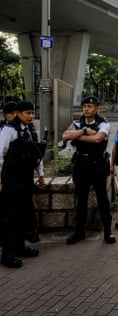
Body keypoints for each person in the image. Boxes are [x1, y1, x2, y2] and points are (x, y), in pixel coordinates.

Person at [62, 95, 116, 245]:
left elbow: (98, 139)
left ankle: (107, 231)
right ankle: (79, 232)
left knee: (102, 199)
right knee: (81, 199)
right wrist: (84, 131)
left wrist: (78, 135)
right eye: (85, 106)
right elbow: (65, 136)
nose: (86, 109)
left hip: (97, 164)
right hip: (81, 164)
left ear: (97, 108)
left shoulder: (103, 123)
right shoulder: (78, 122)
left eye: (90, 106)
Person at [0, 100, 45, 268]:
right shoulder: (9, 130)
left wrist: (41, 175)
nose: (31, 116)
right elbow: (0, 156)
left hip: (25, 178)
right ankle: (7, 254)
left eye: (33, 113)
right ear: (18, 113)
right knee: (10, 217)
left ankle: (20, 247)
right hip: (11, 179)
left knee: (22, 215)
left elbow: (36, 153)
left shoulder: (28, 130)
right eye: (28, 113)